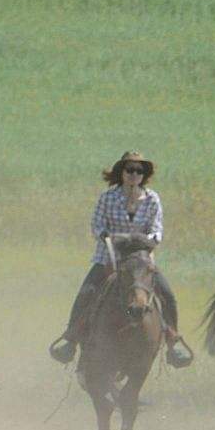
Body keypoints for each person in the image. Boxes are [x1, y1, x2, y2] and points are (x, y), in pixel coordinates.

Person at [49, 151, 192, 367]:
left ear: (144, 174)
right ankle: (71, 339)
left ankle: (172, 340)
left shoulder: (152, 199)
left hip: (142, 261)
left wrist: (144, 240)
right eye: (130, 170)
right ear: (122, 172)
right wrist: (106, 236)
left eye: (139, 170)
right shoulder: (107, 197)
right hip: (109, 258)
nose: (134, 174)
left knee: (168, 295)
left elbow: (157, 231)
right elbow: (97, 225)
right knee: (86, 292)